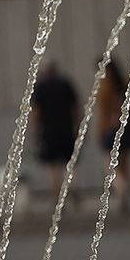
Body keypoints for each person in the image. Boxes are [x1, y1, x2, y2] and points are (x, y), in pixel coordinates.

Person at [94, 58, 130, 213]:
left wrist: (99, 131)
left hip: (110, 129)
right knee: (125, 162)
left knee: (110, 163)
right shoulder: (125, 85)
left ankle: (122, 187)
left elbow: (103, 113)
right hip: (127, 128)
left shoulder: (104, 87)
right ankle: (125, 190)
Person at [31, 61, 81, 202]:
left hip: (48, 132)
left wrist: (34, 133)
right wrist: (79, 127)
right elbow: (76, 108)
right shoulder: (66, 84)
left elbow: (36, 112)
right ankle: (74, 188)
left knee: (52, 166)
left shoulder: (40, 88)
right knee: (70, 163)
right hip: (67, 130)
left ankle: (56, 196)